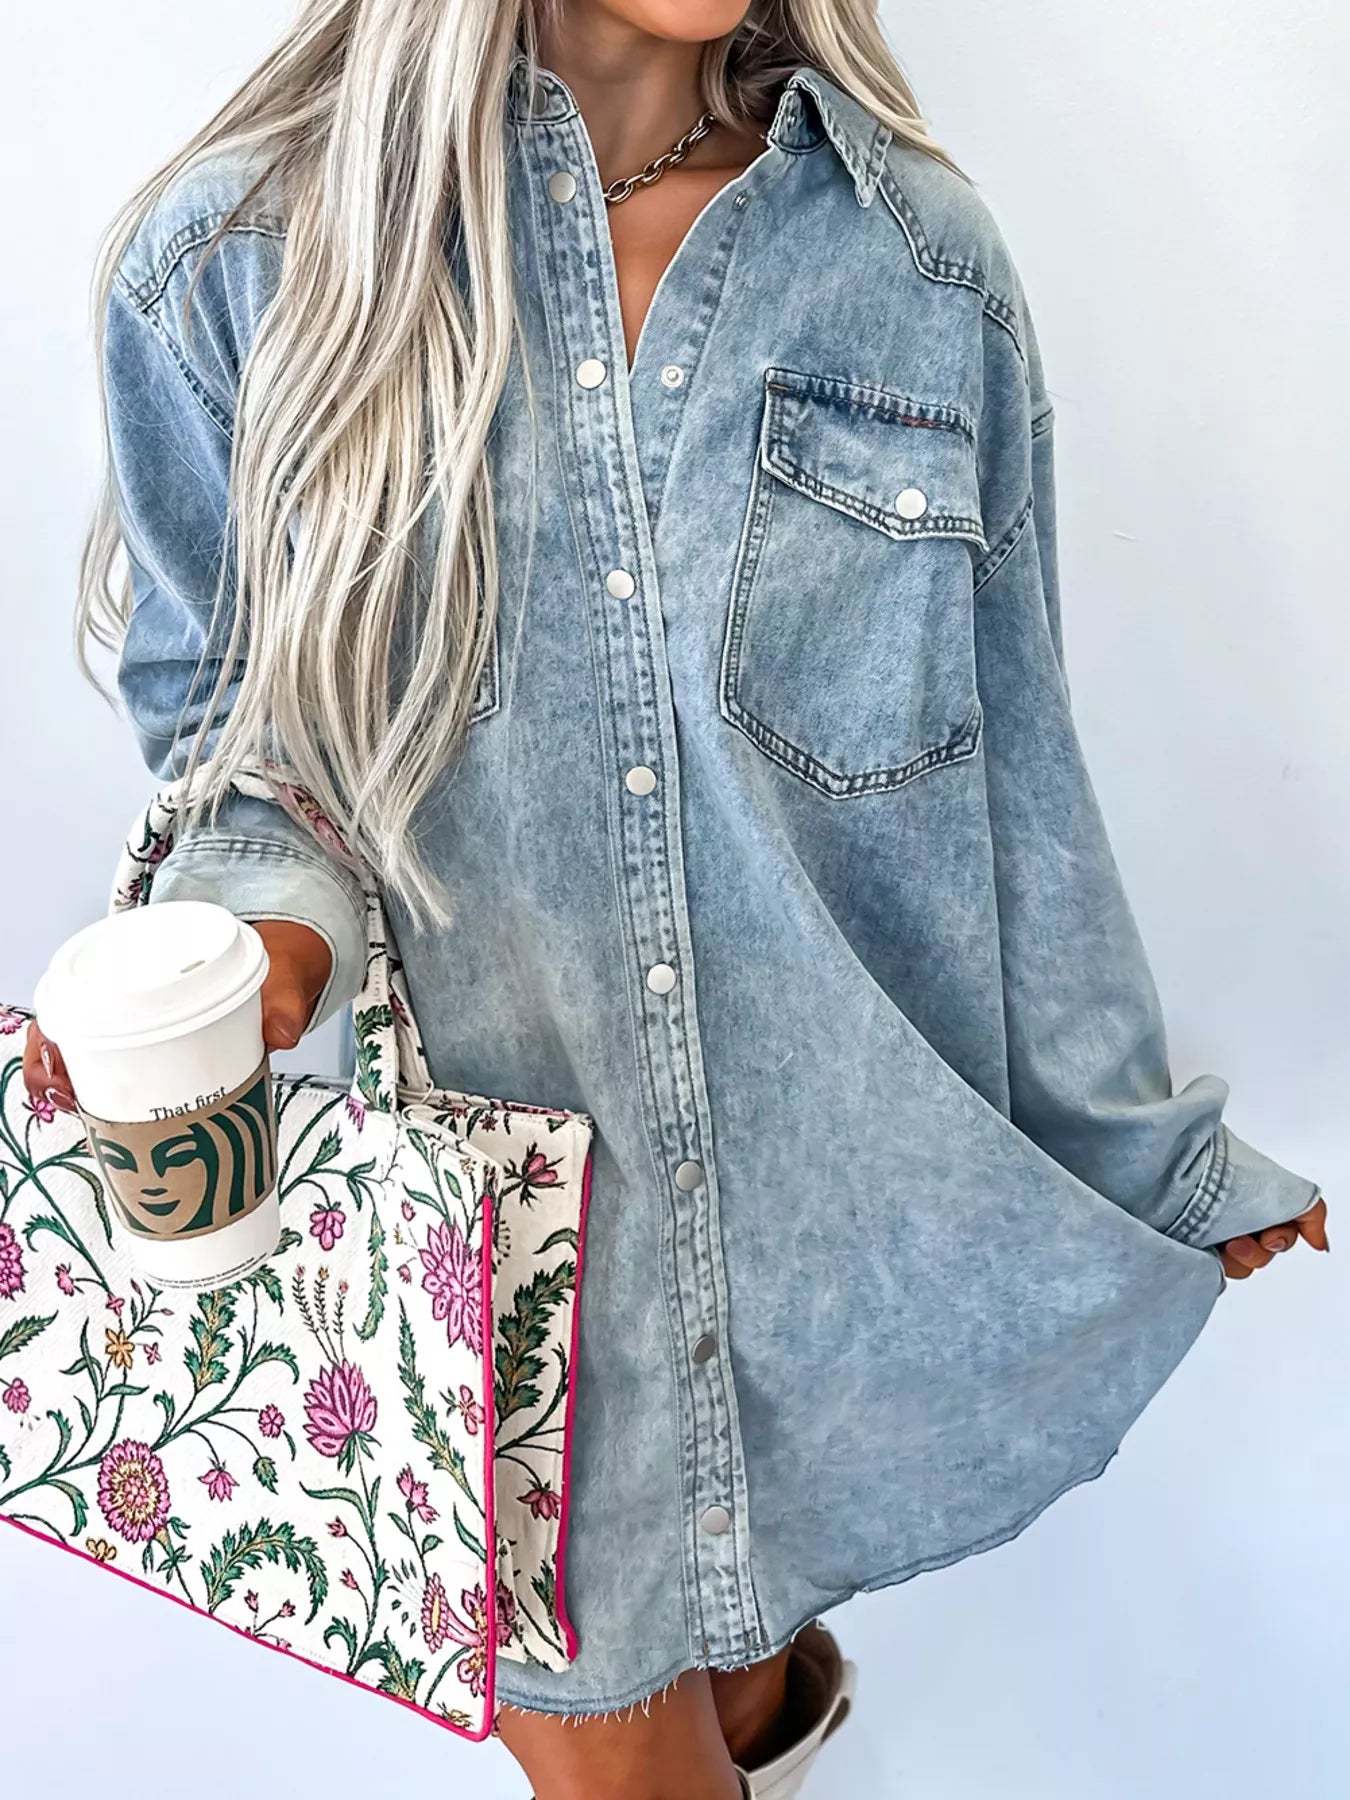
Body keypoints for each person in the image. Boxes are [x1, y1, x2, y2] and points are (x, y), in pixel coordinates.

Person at [25, 3, 1330, 1796]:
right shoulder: (244, 256)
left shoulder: (912, 264)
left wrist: (1136, 1158)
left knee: (736, 1691)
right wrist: (260, 941)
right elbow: (232, 728)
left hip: (815, 1241)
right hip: (495, 1265)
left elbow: (1011, 760)